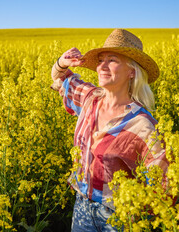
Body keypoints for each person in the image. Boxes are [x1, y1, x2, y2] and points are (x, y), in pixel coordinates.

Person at [51, 29, 169, 232]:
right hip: (82, 209)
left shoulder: (143, 126)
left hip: (118, 218)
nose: (102, 66)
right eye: (100, 60)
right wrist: (62, 63)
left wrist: (137, 215)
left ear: (132, 71)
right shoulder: (90, 99)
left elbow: (164, 186)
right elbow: (60, 80)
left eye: (112, 60)